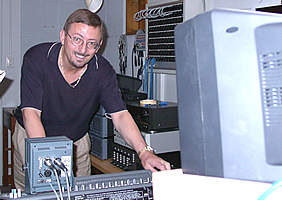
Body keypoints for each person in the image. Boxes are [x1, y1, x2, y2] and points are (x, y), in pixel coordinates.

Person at [12, 8, 171, 190]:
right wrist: (48, 160)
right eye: (77, 39)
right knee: (36, 193)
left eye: (91, 44)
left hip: (76, 142)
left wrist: (144, 152)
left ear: (99, 45)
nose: (82, 50)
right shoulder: (37, 58)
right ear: (63, 36)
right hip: (34, 139)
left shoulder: (102, 71)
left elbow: (120, 115)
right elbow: (31, 113)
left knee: (80, 193)